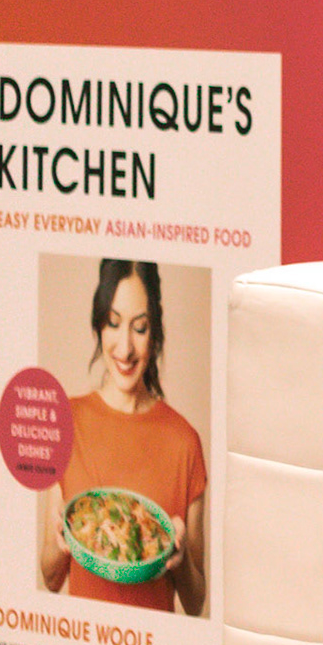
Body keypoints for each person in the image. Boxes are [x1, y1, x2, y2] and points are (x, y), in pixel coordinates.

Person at [38, 259, 207, 616]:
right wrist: (60, 542)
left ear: (155, 332)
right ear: (99, 325)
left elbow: (195, 603)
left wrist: (179, 558)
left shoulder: (185, 442)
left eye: (140, 328)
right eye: (113, 324)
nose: (125, 348)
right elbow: (51, 578)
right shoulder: (65, 420)